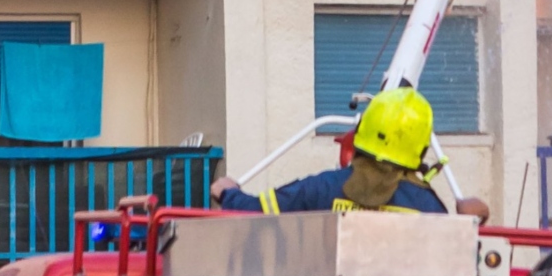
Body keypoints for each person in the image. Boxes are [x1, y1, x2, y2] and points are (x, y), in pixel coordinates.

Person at [210, 87, 491, 219]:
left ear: (361, 134)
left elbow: (254, 213)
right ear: (420, 149)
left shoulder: (320, 189)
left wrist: (227, 191)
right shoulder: (428, 206)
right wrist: (472, 224)